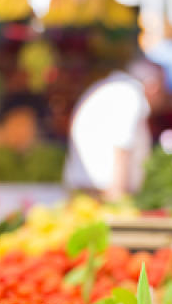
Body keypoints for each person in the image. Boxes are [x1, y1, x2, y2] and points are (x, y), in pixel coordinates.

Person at [63, 59, 165, 200]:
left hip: (89, 189)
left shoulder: (112, 88)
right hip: (103, 193)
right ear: (154, 86)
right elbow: (121, 146)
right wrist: (118, 197)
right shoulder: (130, 95)